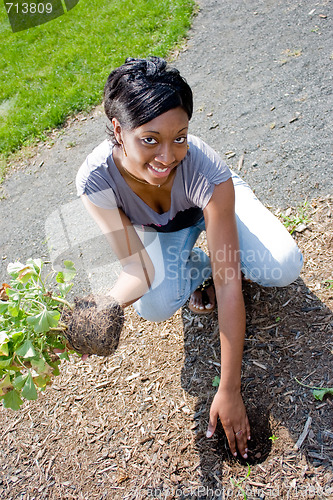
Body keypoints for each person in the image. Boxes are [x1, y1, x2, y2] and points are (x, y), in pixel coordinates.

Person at [76, 56, 303, 459]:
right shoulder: (95, 179)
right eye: (150, 139)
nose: (168, 155)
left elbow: (230, 281)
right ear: (117, 130)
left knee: (283, 264)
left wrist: (229, 389)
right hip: (166, 230)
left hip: (218, 208)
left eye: (179, 136)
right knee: (156, 303)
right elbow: (136, 269)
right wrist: (103, 309)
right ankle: (198, 270)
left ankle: (221, 256)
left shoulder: (204, 169)